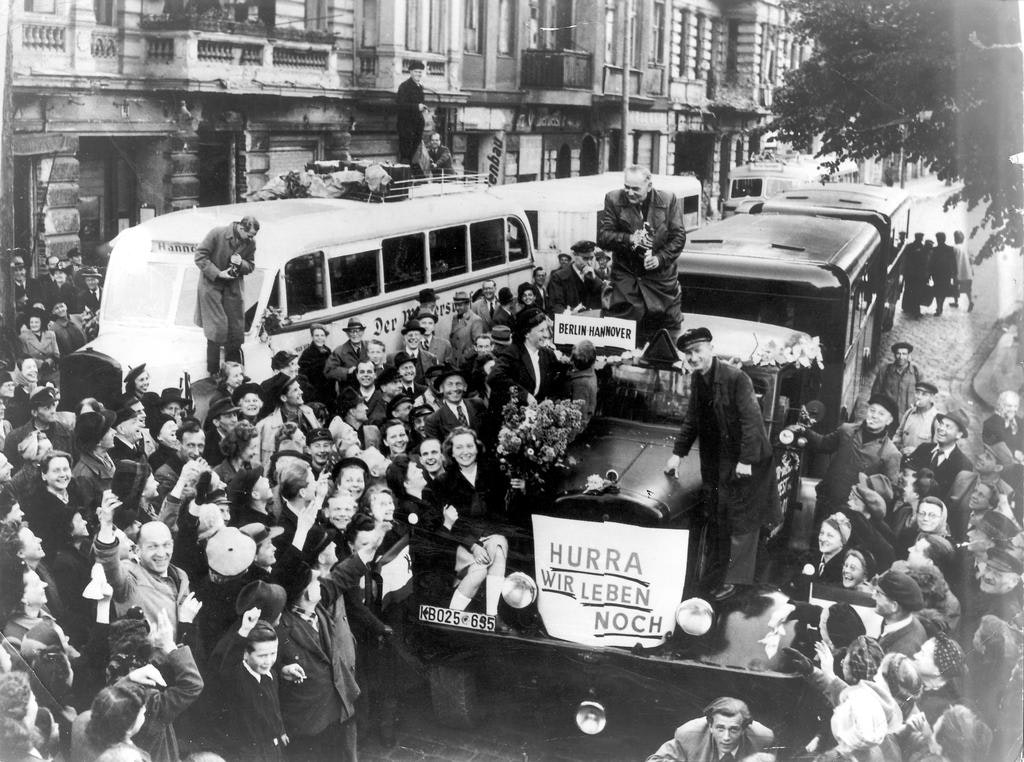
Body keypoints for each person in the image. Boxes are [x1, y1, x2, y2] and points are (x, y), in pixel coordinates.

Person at [666, 328, 778, 600]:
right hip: (720, 460)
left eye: (697, 351)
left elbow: (752, 421)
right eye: (688, 353)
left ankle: (735, 581)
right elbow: (693, 419)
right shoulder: (699, 380)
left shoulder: (736, 378)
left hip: (747, 461)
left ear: (710, 350)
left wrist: (745, 460)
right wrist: (677, 454)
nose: (693, 357)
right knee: (718, 514)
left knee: (741, 520)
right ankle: (716, 574)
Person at [598, 164, 685, 335]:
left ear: (649, 186)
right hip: (626, 282)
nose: (629, 193)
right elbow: (603, 236)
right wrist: (629, 239)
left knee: (666, 335)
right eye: (626, 187)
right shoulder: (613, 199)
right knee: (620, 335)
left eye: (635, 189)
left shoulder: (668, 200)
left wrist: (660, 258)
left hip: (661, 284)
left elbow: (678, 237)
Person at [799, 394, 901, 522]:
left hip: (856, 512)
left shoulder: (891, 453)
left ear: (889, 420)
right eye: (872, 410)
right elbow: (823, 444)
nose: (874, 416)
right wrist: (803, 430)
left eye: (881, 414)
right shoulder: (846, 430)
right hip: (827, 501)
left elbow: (888, 493)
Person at [216, 608, 288, 762]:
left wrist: (280, 730)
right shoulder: (236, 676)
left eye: (273, 653)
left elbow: (274, 707)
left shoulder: (271, 675)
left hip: (272, 750)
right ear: (245, 654)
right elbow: (230, 661)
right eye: (262, 656)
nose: (268, 661)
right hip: (248, 754)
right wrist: (245, 630)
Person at [194, 215, 258, 375]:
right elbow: (200, 256)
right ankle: (213, 372)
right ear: (241, 228)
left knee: (236, 330)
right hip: (211, 286)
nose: (251, 239)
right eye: (250, 235)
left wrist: (240, 263)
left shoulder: (250, 243)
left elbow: (250, 265)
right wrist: (218, 273)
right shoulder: (217, 233)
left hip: (233, 287)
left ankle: (235, 374)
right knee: (216, 329)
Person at [487, 307, 568, 413]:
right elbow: (495, 377)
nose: (546, 335)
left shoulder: (548, 355)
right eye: (541, 330)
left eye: (547, 329)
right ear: (527, 333)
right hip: (510, 418)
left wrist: (550, 401)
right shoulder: (513, 352)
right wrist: (525, 395)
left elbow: (557, 385)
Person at [645, 696, 774, 762]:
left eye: (733, 729)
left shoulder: (764, 739)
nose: (726, 737)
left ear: (744, 729)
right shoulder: (689, 734)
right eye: (720, 728)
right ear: (710, 726)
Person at [906, 409, 974, 504]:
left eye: (948, 427)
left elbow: (954, 502)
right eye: (941, 424)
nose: (941, 428)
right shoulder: (923, 449)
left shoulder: (963, 465)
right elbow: (907, 476)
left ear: (959, 435)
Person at [422, 365, 486, 442]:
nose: (455, 389)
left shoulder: (478, 404)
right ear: (441, 389)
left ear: (465, 387)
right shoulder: (434, 420)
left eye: (458, 384)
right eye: (449, 384)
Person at [872, 568, 927, 656]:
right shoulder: (899, 622)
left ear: (894, 606)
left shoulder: (903, 651)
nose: (873, 596)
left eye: (878, 593)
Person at [545, 240, 605, 315]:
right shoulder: (559, 277)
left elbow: (605, 297)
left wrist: (595, 279)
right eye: (585, 258)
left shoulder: (597, 275)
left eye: (591, 258)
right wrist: (568, 314)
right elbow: (556, 305)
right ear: (574, 255)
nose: (589, 262)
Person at [871, 342, 923, 425]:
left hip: (908, 418)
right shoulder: (885, 370)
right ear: (894, 355)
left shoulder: (916, 372)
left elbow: (923, 396)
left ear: (908, 355)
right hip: (888, 417)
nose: (901, 357)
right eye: (898, 353)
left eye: (904, 354)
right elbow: (875, 393)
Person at [894, 380, 940, 455]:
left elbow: (938, 448)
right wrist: (898, 448)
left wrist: (918, 452)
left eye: (924, 394)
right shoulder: (909, 412)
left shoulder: (936, 419)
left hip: (920, 464)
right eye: (917, 393)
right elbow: (898, 434)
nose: (919, 397)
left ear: (931, 398)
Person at [395, 60, 427, 166]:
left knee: (414, 154)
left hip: (417, 126)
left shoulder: (420, 87)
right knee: (406, 156)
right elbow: (400, 105)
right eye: (416, 72)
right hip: (407, 127)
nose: (418, 74)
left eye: (420, 72)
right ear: (411, 72)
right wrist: (417, 107)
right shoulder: (404, 86)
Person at [323, 318, 369, 392]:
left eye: (358, 331)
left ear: (362, 332)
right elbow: (328, 371)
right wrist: (347, 372)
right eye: (351, 331)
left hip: (368, 389)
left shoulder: (370, 347)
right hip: (350, 393)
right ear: (347, 334)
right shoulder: (339, 351)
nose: (355, 334)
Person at [982, 390, 1023, 466]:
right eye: (1009, 406)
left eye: (1015, 406)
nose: (1013, 409)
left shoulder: (1019, 422)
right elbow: (997, 448)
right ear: (1001, 406)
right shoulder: (991, 423)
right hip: (1000, 464)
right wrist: (1014, 452)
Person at [297, 324, 333, 407]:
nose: (319, 338)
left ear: (325, 337)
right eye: (316, 335)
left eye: (322, 335)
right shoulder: (307, 354)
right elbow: (302, 377)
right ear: (312, 337)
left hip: (329, 391)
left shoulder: (327, 350)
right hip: (316, 395)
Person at [449, 291, 485, 368]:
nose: (457, 308)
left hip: (468, 364)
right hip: (455, 364)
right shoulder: (455, 318)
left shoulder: (475, 320)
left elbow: (477, 344)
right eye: (456, 305)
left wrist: (464, 359)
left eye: (460, 305)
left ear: (467, 304)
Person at [901, 232, 929, 318]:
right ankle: (915, 310)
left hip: (909, 274)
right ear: (921, 238)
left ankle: (906, 307)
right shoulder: (923, 248)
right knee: (917, 292)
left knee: (908, 290)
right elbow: (925, 262)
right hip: (918, 275)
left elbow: (905, 260)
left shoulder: (909, 246)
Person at [929, 232, 957, 316]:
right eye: (938, 238)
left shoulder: (936, 249)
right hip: (943, 273)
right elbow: (953, 262)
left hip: (939, 273)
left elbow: (953, 262)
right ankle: (939, 306)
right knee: (942, 290)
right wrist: (954, 273)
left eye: (938, 238)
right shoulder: (949, 249)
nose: (938, 240)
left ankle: (939, 306)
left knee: (939, 290)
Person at [951, 230, 974, 311]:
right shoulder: (966, 248)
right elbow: (971, 260)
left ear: (955, 239)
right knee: (968, 289)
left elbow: (952, 260)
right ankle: (971, 301)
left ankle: (956, 302)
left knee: (955, 286)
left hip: (958, 270)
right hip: (967, 271)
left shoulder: (954, 248)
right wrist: (972, 270)